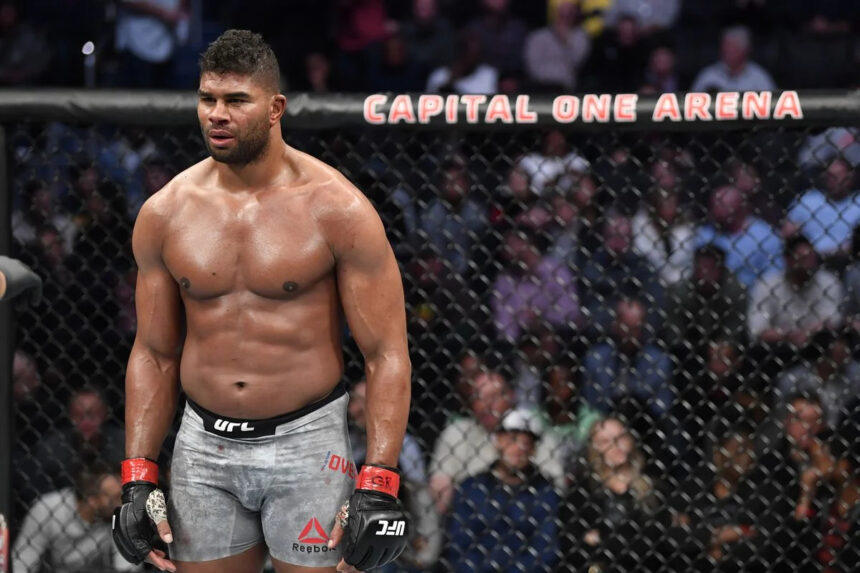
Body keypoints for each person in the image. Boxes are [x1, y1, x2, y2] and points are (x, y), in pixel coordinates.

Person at [111, 30, 411, 573]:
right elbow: (153, 352)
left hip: (308, 442)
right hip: (203, 445)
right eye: (207, 99)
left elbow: (386, 353)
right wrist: (138, 474)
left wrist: (379, 480)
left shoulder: (337, 209)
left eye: (236, 100)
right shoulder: (166, 213)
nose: (217, 115)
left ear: (275, 108)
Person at [443, 408, 560, 572]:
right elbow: (459, 545)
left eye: (525, 443)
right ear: (497, 441)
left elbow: (545, 550)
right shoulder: (472, 488)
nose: (517, 449)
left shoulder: (544, 492)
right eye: (511, 440)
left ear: (533, 450)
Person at [13, 463, 137, 573]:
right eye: (116, 498)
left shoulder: (119, 515)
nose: (123, 502)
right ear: (93, 501)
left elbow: (128, 567)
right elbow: (23, 560)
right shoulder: (48, 508)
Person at [690, 26, 776, 93]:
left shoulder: (759, 78)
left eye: (732, 47)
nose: (726, 50)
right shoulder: (708, 76)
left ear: (744, 50)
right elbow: (691, 105)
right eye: (725, 46)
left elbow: (773, 106)